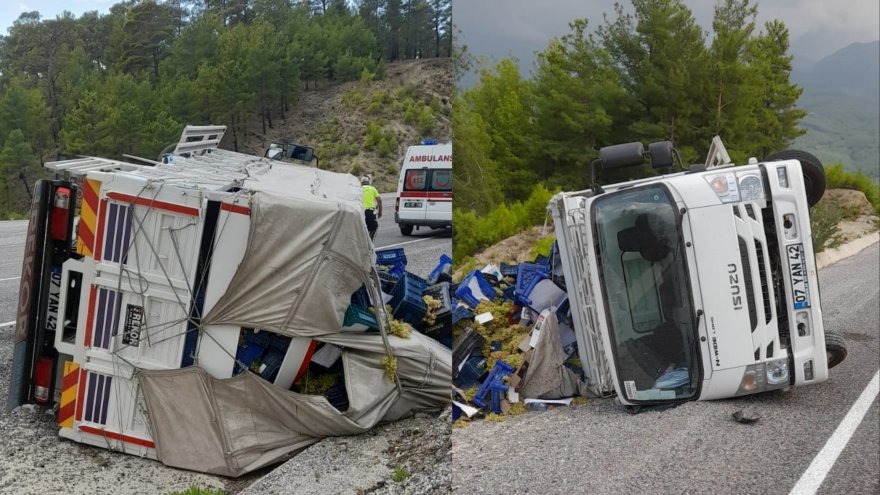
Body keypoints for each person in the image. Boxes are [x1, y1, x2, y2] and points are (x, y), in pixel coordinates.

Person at [361, 175, 382, 240]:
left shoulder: (358, 190)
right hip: (369, 212)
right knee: (373, 228)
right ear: (369, 182)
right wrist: (380, 212)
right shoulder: (372, 189)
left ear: (361, 183)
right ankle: (370, 243)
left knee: (362, 229)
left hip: (360, 212)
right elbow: (379, 200)